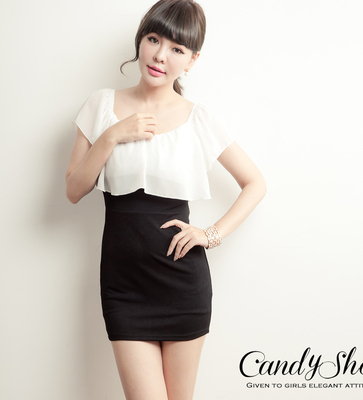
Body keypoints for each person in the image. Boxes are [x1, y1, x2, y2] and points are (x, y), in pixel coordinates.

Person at [65, 0, 266, 399]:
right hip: (123, 285)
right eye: (154, 40)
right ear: (140, 41)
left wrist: (210, 234)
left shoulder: (199, 119)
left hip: (182, 283)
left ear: (192, 60)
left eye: (177, 48)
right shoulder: (101, 105)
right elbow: (73, 190)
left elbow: (255, 183)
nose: (160, 56)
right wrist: (113, 135)